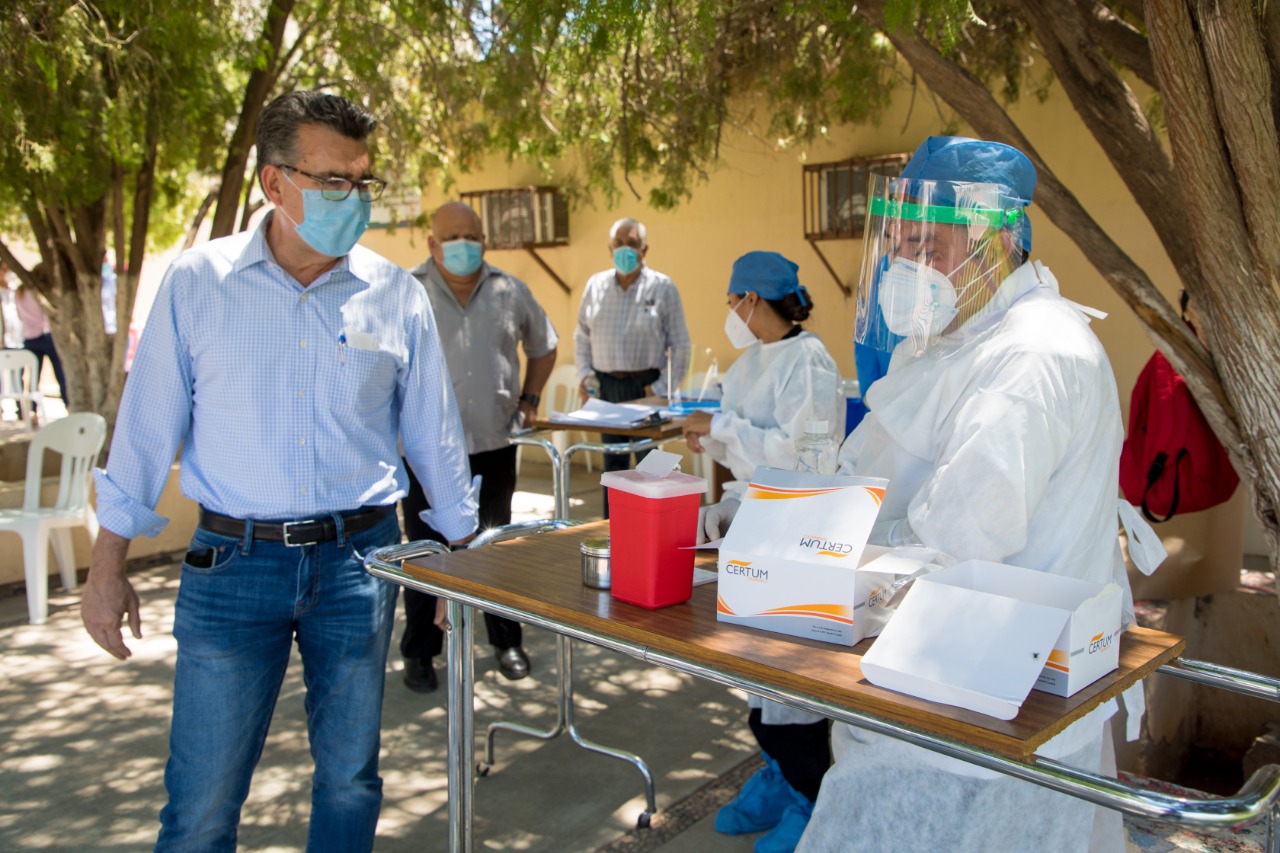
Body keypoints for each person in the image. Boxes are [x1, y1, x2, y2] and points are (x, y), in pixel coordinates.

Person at [79, 91, 478, 852]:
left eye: (361, 181)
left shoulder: (397, 295)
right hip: (233, 566)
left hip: (360, 563)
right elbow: (143, 430)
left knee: (351, 780)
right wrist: (107, 566)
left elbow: (435, 440)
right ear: (273, 183)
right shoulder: (198, 284)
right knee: (200, 802)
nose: (352, 198)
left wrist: (464, 562)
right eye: (332, 180)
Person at [792, 137, 1133, 852]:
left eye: (931, 246)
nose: (908, 267)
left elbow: (959, 543)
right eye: (901, 244)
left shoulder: (1033, 354)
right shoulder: (960, 334)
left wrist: (804, 569)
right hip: (939, 683)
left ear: (998, 242)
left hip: (981, 724)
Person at [682, 250, 842, 853]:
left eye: (732, 301)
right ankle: (779, 777)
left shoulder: (809, 360)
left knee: (792, 680)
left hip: (798, 526)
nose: (729, 312)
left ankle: (812, 797)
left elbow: (799, 456)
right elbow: (745, 452)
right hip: (754, 527)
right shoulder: (748, 365)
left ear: (753, 299)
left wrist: (721, 428)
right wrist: (722, 477)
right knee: (758, 679)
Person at [398, 200, 558, 689]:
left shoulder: (511, 290)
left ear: (484, 240)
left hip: (492, 443)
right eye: (453, 236)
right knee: (427, 553)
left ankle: (506, 641)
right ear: (432, 243)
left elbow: (544, 344)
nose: (464, 244)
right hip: (423, 451)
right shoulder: (406, 290)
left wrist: (530, 397)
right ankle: (422, 652)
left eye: (472, 235)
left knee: (493, 544)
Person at [573, 217, 691, 515]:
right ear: (610, 248)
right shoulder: (595, 285)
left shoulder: (663, 288)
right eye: (619, 244)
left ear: (644, 248)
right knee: (612, 464)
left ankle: (645, 529)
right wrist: (585, 376)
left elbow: (680, 344)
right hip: (605, 387)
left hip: (645, 387)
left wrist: (660, 388)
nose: (625, 250)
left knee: (646, 465)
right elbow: (581, 336)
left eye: (632, 244)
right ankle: (611, 529)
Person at [15, 278, 68, 401]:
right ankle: (67, 404)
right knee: (60, 374)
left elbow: (20, 316)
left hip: (29, 336)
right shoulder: (39, 292)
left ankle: (31, 409)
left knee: (33, 377)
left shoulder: (19, 292)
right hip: (45, 335)